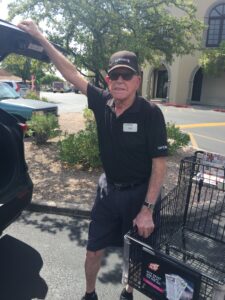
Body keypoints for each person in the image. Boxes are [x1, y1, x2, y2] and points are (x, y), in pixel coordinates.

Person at [18, 20, 168, 300]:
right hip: (108, 190)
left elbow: (159, 163)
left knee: (134, 250)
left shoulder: (150, 113)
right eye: (115, 76)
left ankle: (127, 290)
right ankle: (90, 294)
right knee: (93, 248)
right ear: (108, 81)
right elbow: (71, 72)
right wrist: (41, 38)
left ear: (137, 80)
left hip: (139, 194)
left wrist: (147, 209)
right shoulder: (103, 102)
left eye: (127, 75)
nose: (120, 81)